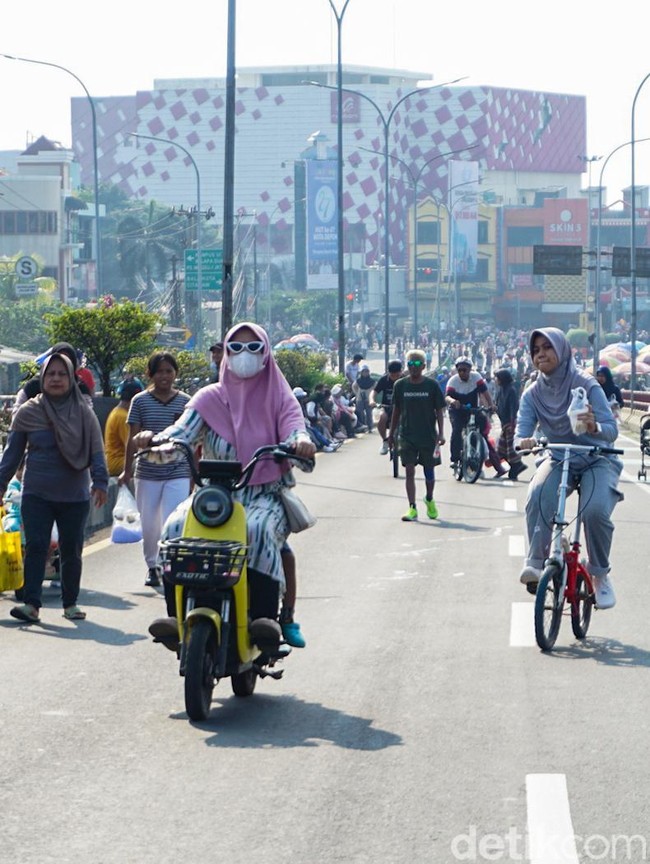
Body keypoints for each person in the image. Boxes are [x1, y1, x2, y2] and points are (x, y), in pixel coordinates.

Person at [133, 323, 316, 649]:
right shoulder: (208, 398)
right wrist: (155, 439)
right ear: (225, 354)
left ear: (266, 353)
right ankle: (176, 616)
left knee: (256, 530)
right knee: (175, 527)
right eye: (236, 348)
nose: (244, 356)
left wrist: (300, 443)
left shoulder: (280, 397)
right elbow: (181, 431)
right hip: (215, 496)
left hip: (263, 494)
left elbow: (294, 429)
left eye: (253, 348)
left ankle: (264, 619)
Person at [515, 327, 622, 608]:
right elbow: (521, 431)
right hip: (558, 456)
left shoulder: (587, 385)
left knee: (595, 511)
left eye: (547, 347)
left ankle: (599, 574)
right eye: (536, 350)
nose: (541, 354)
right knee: (537, 495)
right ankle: (536, 563)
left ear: (562, 350)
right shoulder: (532, 393)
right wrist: (523, 441)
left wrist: (593, 425)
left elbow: (611, 430)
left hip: (597, 457)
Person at [0, 353, 108, 623]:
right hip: (36, 491)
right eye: (51, 374)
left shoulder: (84, 411)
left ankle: (70, 603)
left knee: (71, 549)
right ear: (42, 379)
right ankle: (32, 604)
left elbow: (96, 450)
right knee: (36, 546)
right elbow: (11, 455)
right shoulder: (28, 412)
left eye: (62, 374)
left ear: (71, 378)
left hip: (75, 494)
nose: (56, 379)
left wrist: (101, 482)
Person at [119, 352, 192, 589]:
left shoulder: (186, 402)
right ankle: (152, 565)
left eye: (169, 371)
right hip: (147, 472)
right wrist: (126, 471)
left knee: (173, 521)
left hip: (178, 470)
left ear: (176, 374)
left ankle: (169, 565)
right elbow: (132, 438)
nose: (164, 376)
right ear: (150, 374)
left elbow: (193, 440)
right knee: (149, 523)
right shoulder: (140, 401)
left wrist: (194, 473)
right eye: (159, 371)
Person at [388, 349, 446, 522]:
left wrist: (441, 433)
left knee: (429, 471)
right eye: (410, 364)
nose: (413, 367)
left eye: (417, 364)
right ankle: (412, 507)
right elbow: (396, 411)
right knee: (410, 471)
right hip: (407, 435)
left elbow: (439, 411)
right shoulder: (400, 385)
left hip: (428, 436)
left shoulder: (431, 385)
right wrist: (391, 434)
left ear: (423, 366)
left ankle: (429, 498)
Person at [445, 357, 506, 478]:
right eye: (460, 370)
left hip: (473, 409)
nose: (462, 373)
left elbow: (485, 393)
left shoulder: (476, 377)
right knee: (457, 430)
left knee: (483, 431)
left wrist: (491, 405)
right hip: (457, 410)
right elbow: (447, 397)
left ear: (470, 370)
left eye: (464, 370)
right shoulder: (453, 381)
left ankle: (489, 462)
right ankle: (455, 458)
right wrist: (453, 401)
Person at [104, 380, 144, 476]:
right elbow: (133, 447)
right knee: (150, 465)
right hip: (118, 462)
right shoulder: (123, 417)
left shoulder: (117, 411)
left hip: (115, 460)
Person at [493, 368, 527, 480]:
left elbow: (514, 407)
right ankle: (517, 466)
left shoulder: (511, 390)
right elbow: (497, 405)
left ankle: (516, 467)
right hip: (504, 423)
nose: (496, 380)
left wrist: (513, 423)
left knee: (509, 450)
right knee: (502, 450)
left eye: (497, 378)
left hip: (510, 424)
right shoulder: (500, 390)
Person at [371, 360, 404, 455]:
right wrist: (372, 401)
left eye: (397, 375)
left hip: (402, 408)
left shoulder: (405, 380)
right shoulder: (384, 380)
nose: (394, 378)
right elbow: (374, 391)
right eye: (392, 375)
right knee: (382, 418)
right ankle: (385, 441)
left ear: (401, 372)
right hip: (387, 407)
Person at [352, 364, 375, 431]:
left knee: (369, 413)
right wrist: (357, 393)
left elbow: (375, 389)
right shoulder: (358, 381)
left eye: (367, 371)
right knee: (360, 413)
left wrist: (372, 396)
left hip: (368, 399)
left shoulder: (372, 381)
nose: (365, 373)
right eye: (364, 371)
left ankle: (370, 427)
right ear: (361, 372)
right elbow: (354, 387)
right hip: (359, 399)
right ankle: (362, 426)